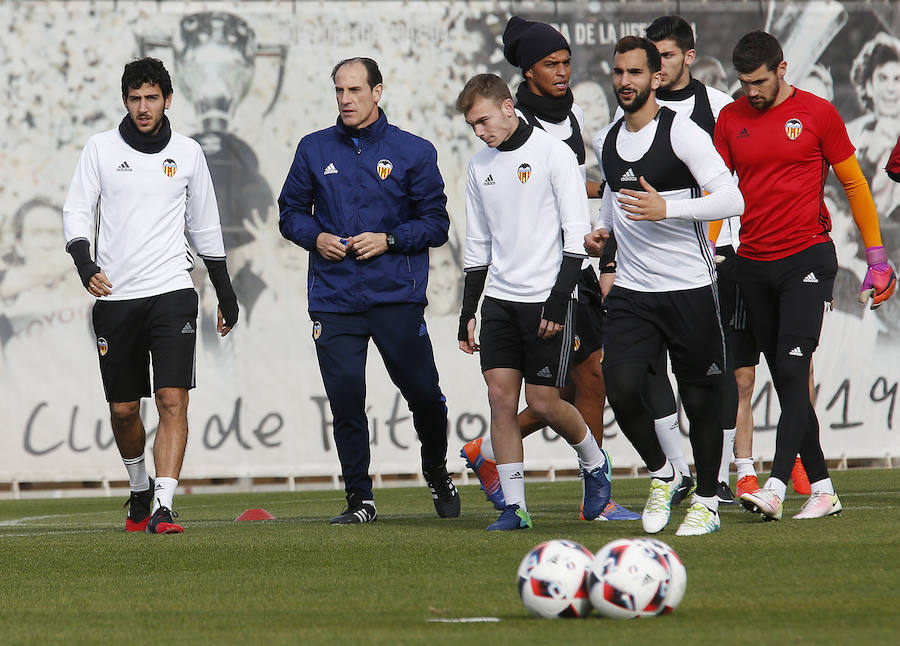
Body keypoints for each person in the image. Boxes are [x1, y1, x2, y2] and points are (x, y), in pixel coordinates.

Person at [460, 15, 639, 522]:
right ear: (526, 75)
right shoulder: (479, 164)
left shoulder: (557, 146)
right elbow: (478, 243)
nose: (480, 132)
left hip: (552, 291)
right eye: (473, 125)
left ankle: (593, 467)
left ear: (507, 108)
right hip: (502, 297)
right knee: (502, 396)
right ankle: (515, 507)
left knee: (550, 397)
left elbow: (571, 228)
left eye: (484, 122)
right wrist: (467, 310)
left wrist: (562, 297)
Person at [714, 31, 896, 521]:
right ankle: (822, 488)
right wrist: (712, 247)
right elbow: (715, 191)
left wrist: (877, 257)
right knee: (788, 381)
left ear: (782, 67)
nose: (750, 91)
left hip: (807, 260)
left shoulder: (818, 113)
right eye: (743, 82)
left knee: (793, 370)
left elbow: (854, 183)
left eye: (758, 81)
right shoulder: (730, 119)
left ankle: (774, 486)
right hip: (752, 263)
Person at [278, 57, 459, 525]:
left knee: (423, 394)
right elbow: (290, 212)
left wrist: (389, 239)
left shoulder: (413, 151)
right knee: (345, 400)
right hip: (334, 300)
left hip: (395, 295)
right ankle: (360, 499)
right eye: (339, 90)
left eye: (355, 90)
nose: (345, 99)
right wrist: (315, 236)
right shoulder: (314, 149)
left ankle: (437, 471)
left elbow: (436, 224)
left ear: (378, 92)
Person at [62, 57, 239, 534]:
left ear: (167, 100)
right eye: (135, 98)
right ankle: (139, 488)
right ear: (125, 100)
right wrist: (85, 264)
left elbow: (204, 226)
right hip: (116, 296)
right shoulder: (100, 149)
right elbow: (77, 212)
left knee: (171, 399)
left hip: (173, 291)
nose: (143, 107)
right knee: (124, 410)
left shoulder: (187, 152)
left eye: (152, 98)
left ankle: (162, 504)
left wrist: (225, 294)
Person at [586, 36, 744, 536]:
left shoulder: (683, 134)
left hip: (689, 286)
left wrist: (668, 208)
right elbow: (615, 200)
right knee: (623, 387)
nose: (625, 82)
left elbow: (731, 199)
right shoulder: (607, 138)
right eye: (618, 73)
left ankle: (707, 502)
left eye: (635, 73)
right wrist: (603, 234)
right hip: (633, 290)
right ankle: (663, 471)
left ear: (656, 78)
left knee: (701, 399)